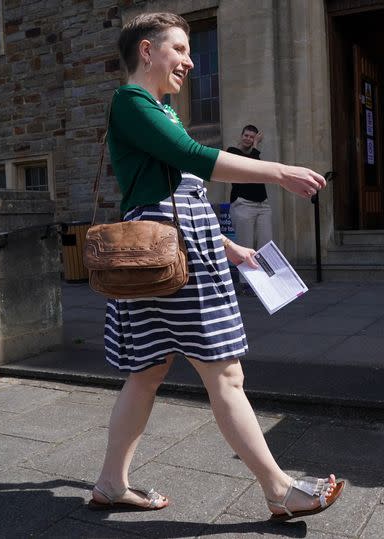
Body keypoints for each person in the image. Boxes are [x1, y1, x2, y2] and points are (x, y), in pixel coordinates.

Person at [88, 12, 344, 520]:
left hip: (163, 253)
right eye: (179, 48)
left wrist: (230, 247)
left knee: (148, 372)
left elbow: (182, 194)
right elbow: (191, 158)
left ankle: (111, 483)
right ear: (146, 50)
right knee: (224, 375)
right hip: (167, 257)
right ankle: (279, 489)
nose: (188, 60)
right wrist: (280, 171)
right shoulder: (131, 101)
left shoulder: (158, 109)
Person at [227, 125, 271, 296]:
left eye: (252, 137)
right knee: (245, 245)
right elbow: (248, 165)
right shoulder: (232, 152)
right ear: (241, 136)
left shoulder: (255, 155)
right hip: (243, 204)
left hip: (262, 205)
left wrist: (256, 148)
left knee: (266, 244)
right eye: (246, 135)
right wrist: (257, 146)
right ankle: (246, 284)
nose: (248, 139)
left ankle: (265, 280)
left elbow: (257, 169)